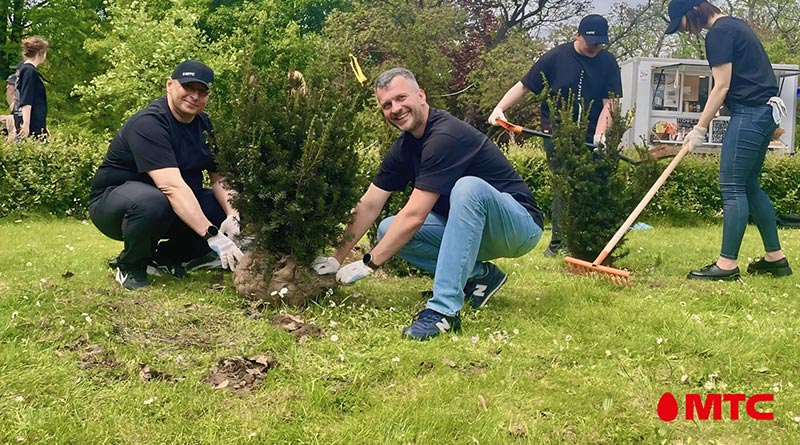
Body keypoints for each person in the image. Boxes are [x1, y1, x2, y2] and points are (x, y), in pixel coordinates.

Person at [312, 68, 544, 340]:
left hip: (518, 226)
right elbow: (369, 205)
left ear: (421, 95)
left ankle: (444, 312)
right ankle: (480, 276)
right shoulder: (404, 148)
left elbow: (415, 216)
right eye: (386, 105)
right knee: (387, 229)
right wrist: (336, 257)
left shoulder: (445, 135)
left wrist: (369, 263)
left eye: (401, 98)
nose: (395, 109)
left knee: (468, 187)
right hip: (474, 230)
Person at [89, 60, 243, 290]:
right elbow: (171, 187)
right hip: (115, 205)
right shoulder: (149, 124)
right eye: (188, 87)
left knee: (219, 204)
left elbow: (220, 178)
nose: (195, 96)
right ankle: (130, 266)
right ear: (169, 85)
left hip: (168, 205)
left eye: (202, 91)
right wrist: (212, 235)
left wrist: (233, 215)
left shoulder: (205, 125)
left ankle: (166, 258)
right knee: (153, 201)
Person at [666, 0, 792, 280]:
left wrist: (700, 128)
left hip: (750, 113)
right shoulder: (735, 25)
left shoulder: (719, 33)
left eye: (681, 24)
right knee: (749, 185)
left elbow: (721, 86)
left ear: (692, 12)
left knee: (732, 185)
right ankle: (775, 259)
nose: (684, 30)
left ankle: (726, 265)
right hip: (764, 112)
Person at [487, 14, 623, 257]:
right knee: (565, 183)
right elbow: (524, 85)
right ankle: (558, 245)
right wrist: (500, 108)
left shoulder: (608, 62)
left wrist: (601, 135)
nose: (595, 47)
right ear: (577, 35)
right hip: (557, 133)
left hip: (592, 135)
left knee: (593, 185)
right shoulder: (556, 57)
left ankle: (590, 242)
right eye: (590, 42)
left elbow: (610, 103)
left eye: (599, 43)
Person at [16, 37, 49, 141]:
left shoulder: (24, 69)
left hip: (32, 121)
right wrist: (26, 124)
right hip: (31, 124)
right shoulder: (29, 71)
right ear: (41, 53)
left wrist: (43, 126)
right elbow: (27, 98)